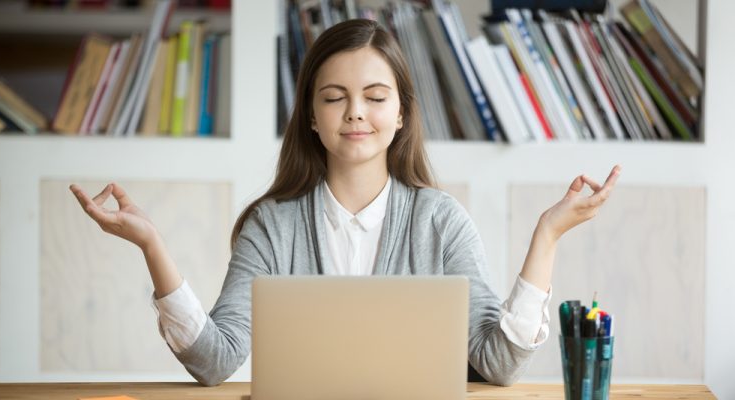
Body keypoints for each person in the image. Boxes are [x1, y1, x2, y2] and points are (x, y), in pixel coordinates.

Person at [69, 19, 620, 387]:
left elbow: (497, 365)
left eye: (375, 98)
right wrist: (151, 244)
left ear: (401, 113)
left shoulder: (440, 221)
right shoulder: (272, 226)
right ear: (312, 115)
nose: (355, 113)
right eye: (334, 98)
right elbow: (215, 363)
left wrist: (546, 235)